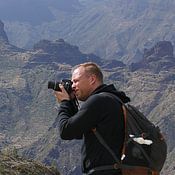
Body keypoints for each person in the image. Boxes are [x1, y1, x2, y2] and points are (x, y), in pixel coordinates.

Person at [54, 62, 130, 175]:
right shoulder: (113, 99)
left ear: (92, 79)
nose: (73, 86)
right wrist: (71, 102)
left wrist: (64, 102)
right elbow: (78, 131)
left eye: (76, 81)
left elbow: (66, 131)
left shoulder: (98, 101)